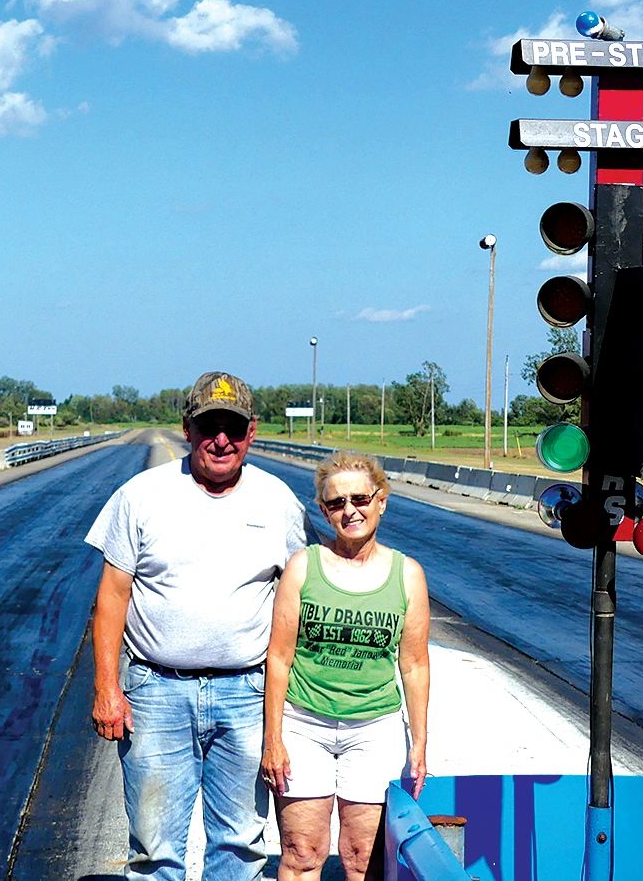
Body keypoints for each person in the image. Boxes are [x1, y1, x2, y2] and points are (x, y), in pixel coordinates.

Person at [85, 370, 309, 881]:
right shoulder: (141, 495)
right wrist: (106, 686)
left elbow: (300, 597)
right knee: (155, 848)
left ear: (251, 431)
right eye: (209, 426)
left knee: (240, 845)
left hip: (248, 692)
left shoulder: (279, 503)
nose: (221, 440)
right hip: (155, 691)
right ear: (187, 428)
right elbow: (111, 596)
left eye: (232, 426)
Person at [261, 451, 430, 881]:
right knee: (302, 853)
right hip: (305, 725)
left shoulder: (407, 574)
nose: (350, 510)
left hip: (373, 729)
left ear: (381, 500)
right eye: (336, 503)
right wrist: (274, 739)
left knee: (362, 857)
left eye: (359, 499)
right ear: (323, 510)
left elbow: (413, 664)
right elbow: (279, 657)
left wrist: (420, 744)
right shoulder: (304, 567)